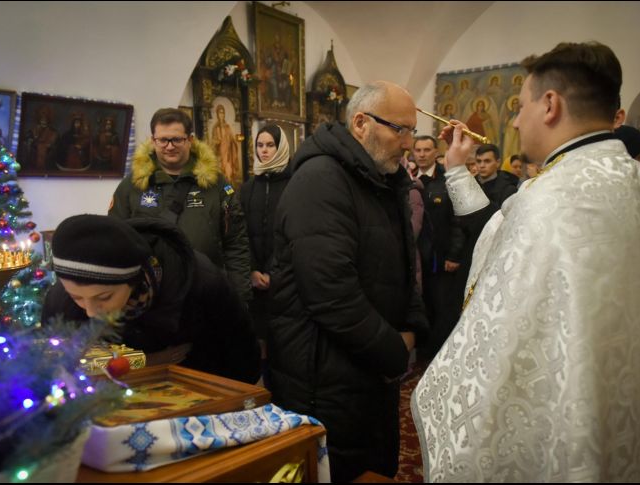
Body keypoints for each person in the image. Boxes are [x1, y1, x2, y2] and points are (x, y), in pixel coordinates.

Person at [413, 41, 640, 482]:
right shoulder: (621, 178)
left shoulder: (557, 197)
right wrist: (459, 169)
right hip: (608, 394)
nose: (517, 120)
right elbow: (499, 223)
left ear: (550, 104)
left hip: (557, 416)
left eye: (520, 106)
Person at [268, 81, 429, 482]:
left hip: (365, 367)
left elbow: (405, 260)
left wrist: (411, 324)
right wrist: (394, 350)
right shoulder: (322, 179)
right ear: (361, 123)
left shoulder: (377, 178)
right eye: (401, 129)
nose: (409, 143)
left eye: (412, 131)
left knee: (371, 465)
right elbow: (330, 292)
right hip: (322, 376)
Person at [41, 214, 260, 384]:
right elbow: (52, 364)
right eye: (77, 297)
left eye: (104, 297)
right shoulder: (61, 298)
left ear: (134, 280)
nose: (91, 311)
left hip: (197, 391)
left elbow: (241, 356)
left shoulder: (200, 281)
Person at [109, 108, 251, 303]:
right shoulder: (132, 186)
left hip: (205, 292)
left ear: (190, 140)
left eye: (177, 139)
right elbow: (115, 241)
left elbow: (235, 243)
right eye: (163, 140)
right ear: (153, 141)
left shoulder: (216, 184)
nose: (169, 146)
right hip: (151, 295)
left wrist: (240, 297)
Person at [240, 124, 291, 386]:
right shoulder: (248, 187)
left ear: (281, 147)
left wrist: (274, 271)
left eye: (270, 145)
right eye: (260, 145)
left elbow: (292, 233)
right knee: (259, 338)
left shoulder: (294, 182)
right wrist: (252, 269)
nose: (264, 150)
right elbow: (240, 234)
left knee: (283, 338)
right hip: (255, 279)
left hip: (284, 277)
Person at [413, 135, 465, 361]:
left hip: (441, 257)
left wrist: (454, 253)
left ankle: (439, 355)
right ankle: (422, 351)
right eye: (418, 150)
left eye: (427, 150)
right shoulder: (407, 179)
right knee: (419, 305)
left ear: (436, 152)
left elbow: (459, 220)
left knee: (441, 306)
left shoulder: (447, 180)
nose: (422, 154)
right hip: (416, 257)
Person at [211, 104, 241, 188]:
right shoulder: (215, 128)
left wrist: (232, 141)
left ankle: (230, 192)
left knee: (229, 173)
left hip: (228, 155)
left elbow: (232, 139)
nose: (221, 115)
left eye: (223, 113)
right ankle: (226, 192)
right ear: (217, 114)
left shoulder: (227, 127)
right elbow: (213, 142)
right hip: (220, 155)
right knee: (222, 174)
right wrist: (217, 142)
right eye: (220, 113)